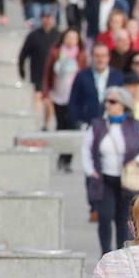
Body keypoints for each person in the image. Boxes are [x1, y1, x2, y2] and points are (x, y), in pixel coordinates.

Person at [83, 87, 139, 254]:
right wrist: (90, 170)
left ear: (123, 104)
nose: (109, 105)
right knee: (105, 216)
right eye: (107, 101)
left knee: (125, 219)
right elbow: (86, 149)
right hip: (105, 178)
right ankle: (106, 253)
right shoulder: (97, 125)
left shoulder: (135, 125)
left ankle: (122, 254)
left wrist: (137, 162)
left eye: (113, 101)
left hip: (127, 180)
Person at [40, 26, 85, 172]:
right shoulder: (56, 52)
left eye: (74, 38)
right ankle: (61, 155)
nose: (71, 40)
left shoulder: (81, 55)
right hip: (58, 94)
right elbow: (47, 73)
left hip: (75, 97)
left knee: (72, 127)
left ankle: (67, 159)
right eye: (69, 37)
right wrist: (45, 93)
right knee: (61, 125)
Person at [69, 41, 115, 136]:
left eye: (103, 56)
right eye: (97, 56)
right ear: (92, 57)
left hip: (112, 126)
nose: (100, 59)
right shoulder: (82, 76)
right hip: (88, 126)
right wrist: (78, 122)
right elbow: (74, 101)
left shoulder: (117, 77)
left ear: (108, 58)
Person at [19, 10, 60, 114]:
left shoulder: (58, 35)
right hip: (38, 72)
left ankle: (46, 123)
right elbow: (23, 54)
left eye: (49, 18)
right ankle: (38, 120)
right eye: (45, 18)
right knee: (38, 96)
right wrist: (21, 69)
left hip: (54, 73)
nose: (47, 20)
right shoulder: (33, 36)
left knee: (49, 99)